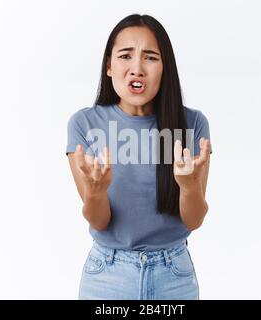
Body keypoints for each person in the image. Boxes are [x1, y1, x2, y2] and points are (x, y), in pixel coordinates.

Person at [66, 13, 212, 300]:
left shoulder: (192, 124)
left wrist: (189, 187)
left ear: (165, 68)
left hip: (174, 275)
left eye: (150, 57)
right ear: (109, 66)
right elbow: (99, 221)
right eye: (125, 56)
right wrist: (96, 193)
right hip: (107, 276)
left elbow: (193, 220)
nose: (137, 68)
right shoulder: (84, 124)